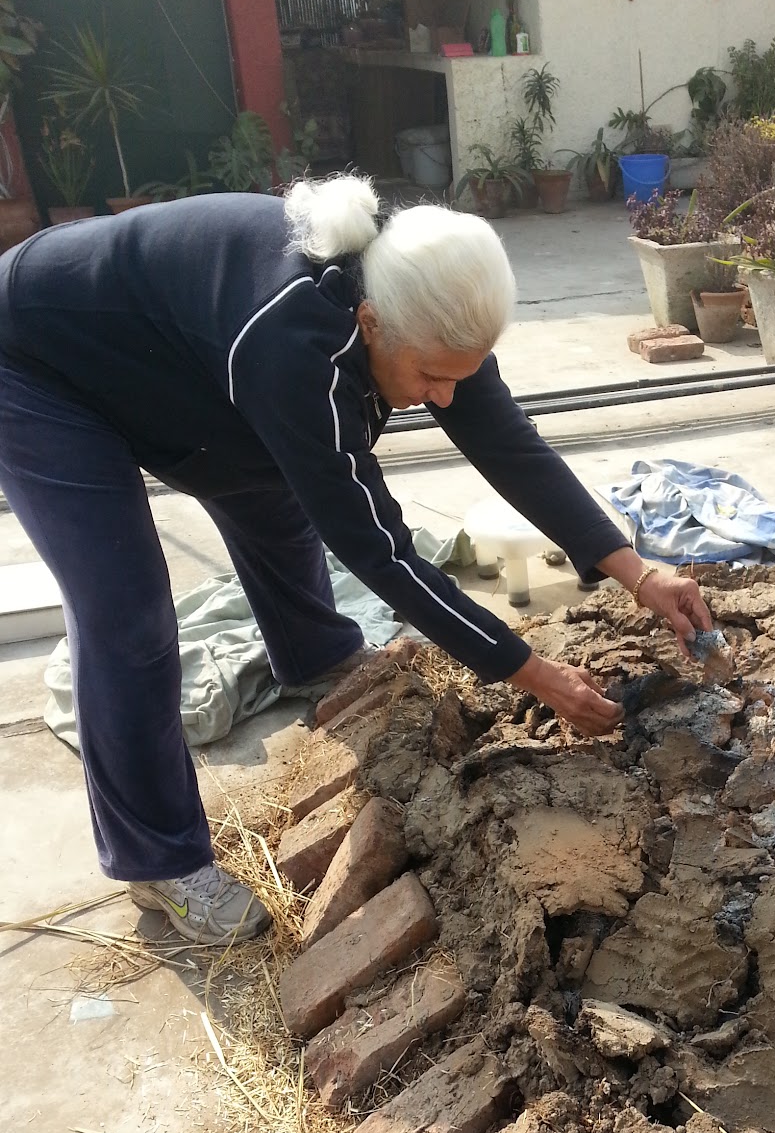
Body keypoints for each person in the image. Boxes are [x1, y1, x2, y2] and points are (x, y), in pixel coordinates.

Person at [0, 176, 712, 946]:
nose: (443, 397)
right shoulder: (294, 346)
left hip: (179, 362)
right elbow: (379, 550)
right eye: (430, 377)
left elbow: (511, 446)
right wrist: (530, 672)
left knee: (275, 483)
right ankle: (158, 860)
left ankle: (314, 657)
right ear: (370, 322)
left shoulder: (427, 305)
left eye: (458, 377)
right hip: (37, 364)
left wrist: (639, 572)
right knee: (126, 609)